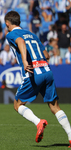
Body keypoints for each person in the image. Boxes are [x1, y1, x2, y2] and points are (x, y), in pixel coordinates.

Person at [5, 11, 71, 147]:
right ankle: (70, 136)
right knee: (55, 107)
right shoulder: (33, 35)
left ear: (7, 24)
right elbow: (46, 54)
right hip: (47, 71)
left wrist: (24, 61)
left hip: (33, 73)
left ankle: (38, 122)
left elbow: (21, 42)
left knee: (17, 105)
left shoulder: (11, 34)